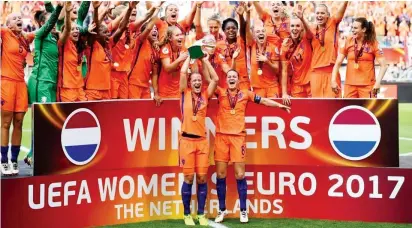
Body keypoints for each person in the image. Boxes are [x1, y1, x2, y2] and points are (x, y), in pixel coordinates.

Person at [213, 70, 291, 224]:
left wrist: (279, 106)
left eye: (234, 77)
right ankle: (222, 210)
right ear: (226, 80)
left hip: (238, 138)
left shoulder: (246, 94)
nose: (232, 79)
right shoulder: (220, 92)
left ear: (238, 80)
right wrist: (203, 59)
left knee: (240, 175)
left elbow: (264, 101)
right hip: (221, 137)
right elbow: (209, 79)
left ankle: (243, 210)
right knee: (221, 175)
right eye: (229, 77)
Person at [177, 53, 219, 226]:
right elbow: (182, 73)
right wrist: (189, 56)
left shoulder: (205, 96)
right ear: (189, 82)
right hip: (186, 142)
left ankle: (201, 214)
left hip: (202, 142)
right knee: (188, 179)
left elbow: (215, 79)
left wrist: (205, 59)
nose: (197, 83)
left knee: (202, 179)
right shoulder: (183, 93)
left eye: (199, 81)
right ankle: (187, 214)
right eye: (194, 80)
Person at [1, 12, 35, 175]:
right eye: (14, 19)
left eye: (20, 18)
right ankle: (3, 160)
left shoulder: (25, 38)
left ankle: (14, 160)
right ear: (8, 24)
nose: (19, 19)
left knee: (19, 122)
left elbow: (42, 31)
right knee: (6, 123)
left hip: (21, 84)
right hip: (6, 82)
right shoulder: (5, 33)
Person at [83, 1, 134, 101]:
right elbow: (95, 26)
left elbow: (121, 27)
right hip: (92, 91)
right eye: (105, 33)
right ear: (97, 34)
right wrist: (97, 9)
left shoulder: (109, 44)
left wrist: (130, 9)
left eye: (108, 32)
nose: (108, 35)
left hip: (107, 91)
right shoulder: (92, 45)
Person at [332, 17, 388, 98]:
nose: (353, 30)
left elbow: (384, 65)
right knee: (349, 110)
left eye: (355, 28)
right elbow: (338, 63)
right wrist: (333, 80)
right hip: (350, 86)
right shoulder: (348, 41)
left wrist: (378, 83)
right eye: (352, 28)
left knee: (368, 110)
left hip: (368, 86)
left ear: (364, 29)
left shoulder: (373, 43)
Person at [307, 2, 348, 98]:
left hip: (331, 72)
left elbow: (342, 10)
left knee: (333, 105)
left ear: (328, 15)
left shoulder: (332, 23)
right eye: (317, 13)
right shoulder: (311, 29)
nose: (319, 15)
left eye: (322, 13)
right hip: (315, 72)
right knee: (317, 106)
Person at [245, 5, 281, 98]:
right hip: (257, 87)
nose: (260, 33)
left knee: (274, 111)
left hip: (272, 87)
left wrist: (267, 61)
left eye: (263, 31)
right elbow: (247, 31)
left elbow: (277, 70)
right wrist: (247, 14)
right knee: (260, 111)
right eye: (257, 32)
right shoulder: (252, 45)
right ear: (254, 35)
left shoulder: (273, 47)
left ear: (266, 34)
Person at [280, 6, 313, 104]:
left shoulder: (307, 39)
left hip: (311, 83)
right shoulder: (285, 46)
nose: (295, 28)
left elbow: (310, 33)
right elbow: (284, 71)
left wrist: (302, 18)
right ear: (289, 28)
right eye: (293, 26)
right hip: (296, 86)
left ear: (302, 28)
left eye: (298, 26)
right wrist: (284, 93)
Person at [57, 3, 89, 102]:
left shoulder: (79, 46)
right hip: (67, 87)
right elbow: (66, 29)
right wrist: (67, 12)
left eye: (77, 29)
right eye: (73, 29)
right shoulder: (64, 44)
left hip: (79, 87)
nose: (76, 31)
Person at [216, 3, 249, 90]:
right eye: (228, 28)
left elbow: (243, 30)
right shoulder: (219, 45)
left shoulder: (241, 40)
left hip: (244, 83)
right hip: (228, 83)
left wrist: (241, 16)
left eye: (234, 28)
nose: (231, 30)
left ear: (237, 30)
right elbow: (225, 67)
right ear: (223, 31)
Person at [155, 26, 188, 99]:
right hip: (165, 92)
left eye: (181, 34)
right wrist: (180, 59)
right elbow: (167, 68)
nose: (181, 37)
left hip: (179, 91)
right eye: (177, 35)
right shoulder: (165, 48)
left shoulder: (184, 49)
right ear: (170, 38)